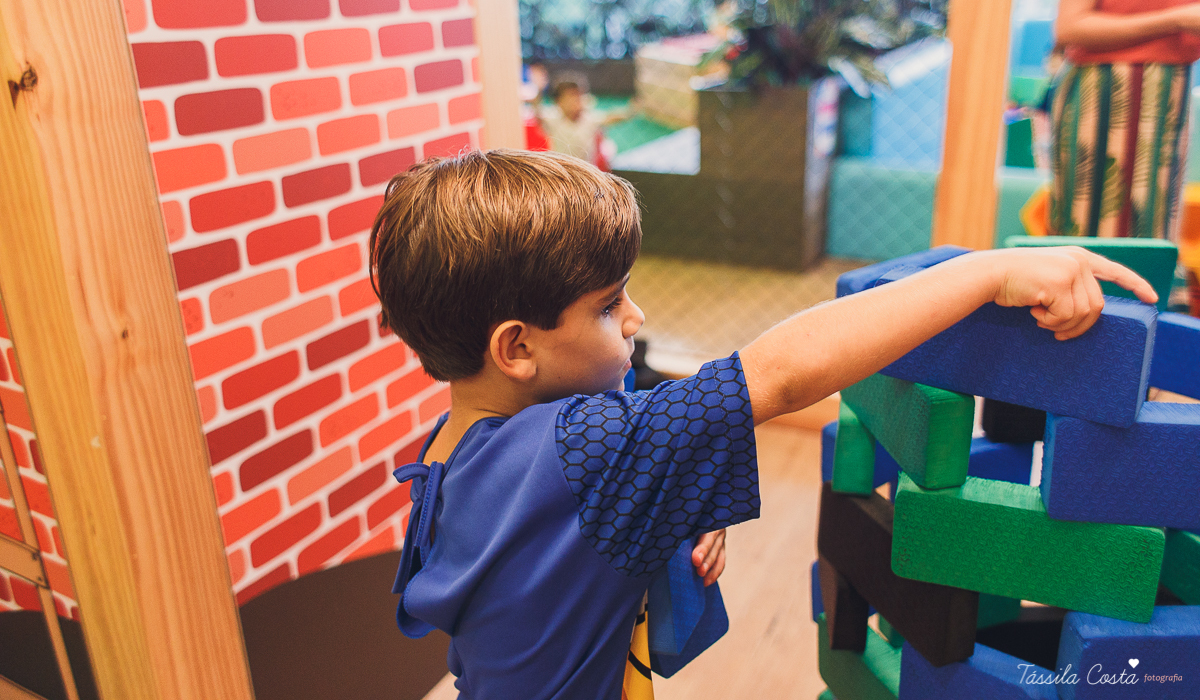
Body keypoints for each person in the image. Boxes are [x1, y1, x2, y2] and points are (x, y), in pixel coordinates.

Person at [368, 149, 1155, 699]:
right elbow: (779, 373)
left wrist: (654, 524)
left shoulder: (450, 454)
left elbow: (537, 566)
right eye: (608, 308)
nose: (637, 316)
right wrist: (988, 272)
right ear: (516, 348)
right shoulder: (589, 448)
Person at [1050, 0, 1200, 240]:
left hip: (1168, 103)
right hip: (1102, 100)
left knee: (1153, 236)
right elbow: (1069, 26)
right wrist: (1175, 19)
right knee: (1088, 239)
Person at [538, 72, 630, 168]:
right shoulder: (553, 119)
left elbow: (611, 118)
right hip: (561, 170)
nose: (575, 101)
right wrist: (539, 90)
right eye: (570, 97)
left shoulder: (589, 119)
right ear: (559, 101)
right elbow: (538, 115)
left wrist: (631, 110)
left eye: (577, 97)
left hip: (586, 171)